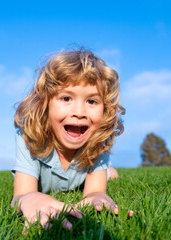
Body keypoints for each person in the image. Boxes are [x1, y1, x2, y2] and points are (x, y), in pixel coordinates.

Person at [11, 47, 131, 232]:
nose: (79, 113)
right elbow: (21, 195)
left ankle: (108, 171)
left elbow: (94, 191)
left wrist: (97, 196)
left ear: (105, 109)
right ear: (45, 103)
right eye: (66, 98)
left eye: (92, 101)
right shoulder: (30, 138)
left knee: (109, 174)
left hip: (81, 177)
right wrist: (30, 198)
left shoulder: (98, 142)